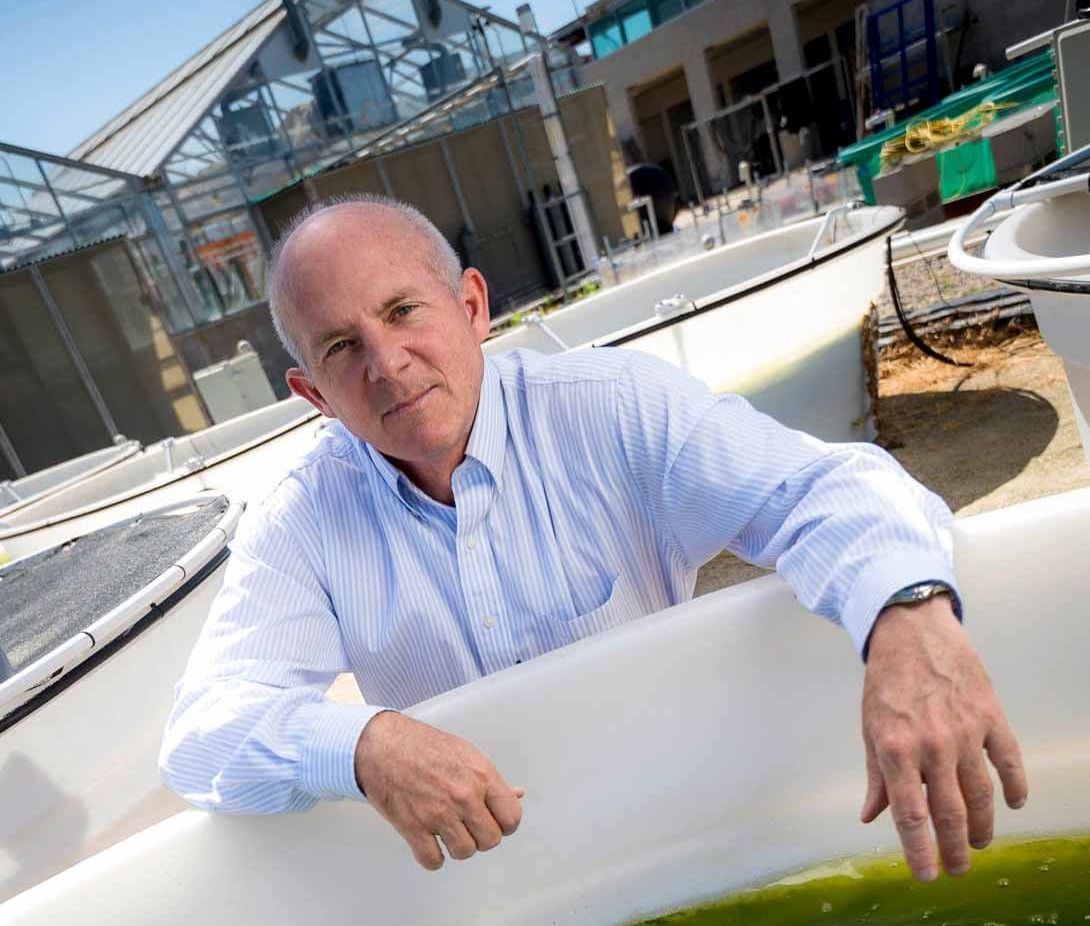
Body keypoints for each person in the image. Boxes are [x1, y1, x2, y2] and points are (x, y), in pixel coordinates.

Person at [160, 196, 1027, 885]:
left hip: (688, 826)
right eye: (344, 346)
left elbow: (820, 485)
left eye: (402, 312)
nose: (386, 364)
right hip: (498, 885)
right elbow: (202, 733)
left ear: (471, 307)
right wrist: (365, 745)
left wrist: (909, 619)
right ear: (314, 395)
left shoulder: (607, 406)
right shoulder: (303, 521)